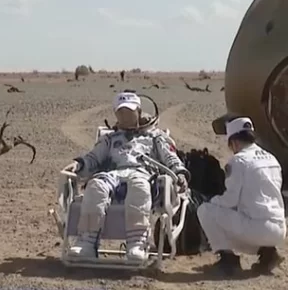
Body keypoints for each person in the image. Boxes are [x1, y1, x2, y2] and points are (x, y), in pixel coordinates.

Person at [66, 91, 190, 261]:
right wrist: (79, 164)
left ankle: (136, 243)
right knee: (95, 186)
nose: (125, 116)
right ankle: (86, 242)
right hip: (113, 173)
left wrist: (180, 172)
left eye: (129, 112)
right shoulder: (110, 138)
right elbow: (93, 158)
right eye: (121, 112)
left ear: (139, 112)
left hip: (143, 172)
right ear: (116, 114)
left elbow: (170, 157)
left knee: (139, 186)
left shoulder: (155, 137)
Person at [197, 117, 286, 275]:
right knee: (249, 212)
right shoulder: (271, 158)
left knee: (205, 211)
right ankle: (268, 254)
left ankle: (228, 260)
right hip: (279, 229)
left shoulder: (239, 161)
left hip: (258, 229)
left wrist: (212, 200)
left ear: (234, 142)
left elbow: (230, 201)